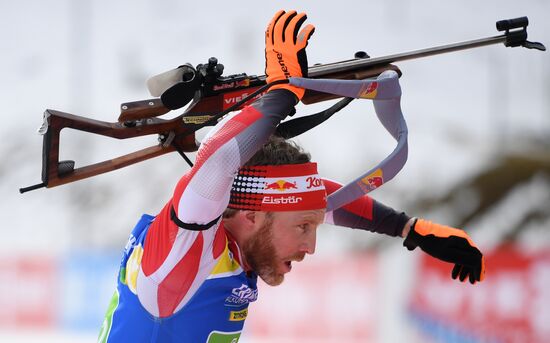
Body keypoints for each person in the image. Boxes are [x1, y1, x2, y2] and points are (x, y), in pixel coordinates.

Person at [98, 10, 485, 343]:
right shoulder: (187, 251)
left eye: (311, 227)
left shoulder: (232, 227)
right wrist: (279, 96)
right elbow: (214, 163)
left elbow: (320, 201)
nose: (312, 245)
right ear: (251, 216)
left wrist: (408, 228)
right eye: (304, 227)